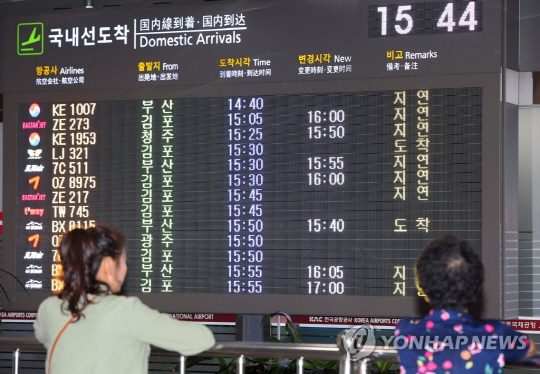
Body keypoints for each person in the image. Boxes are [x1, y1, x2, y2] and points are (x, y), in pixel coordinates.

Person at [34, 225, 215, 374]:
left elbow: (42, 334)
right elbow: (202, 339)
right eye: (124, 261)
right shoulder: (125, 310)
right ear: (109, 265)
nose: (126, 268)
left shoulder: (48, 307)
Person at [395, 235, 537, 374]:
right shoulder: (495, 334)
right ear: (475, 289)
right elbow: (529, 348)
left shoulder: (405, 331)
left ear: (425, 292)